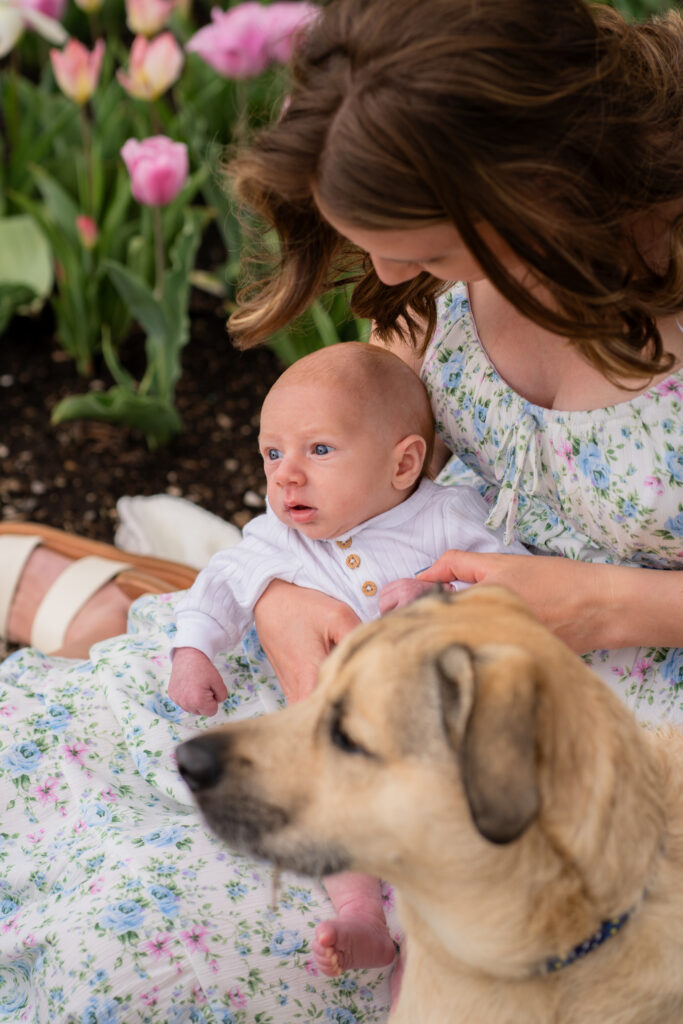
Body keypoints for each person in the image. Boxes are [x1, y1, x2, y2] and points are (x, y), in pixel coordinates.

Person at [0, 0, 681, 1018]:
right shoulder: (454, 255)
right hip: (396, 649)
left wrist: (609, 606)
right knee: (43, 771)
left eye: (432, 255)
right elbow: (375, 446)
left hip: (585, 758)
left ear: (531, 183)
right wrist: (274, 587)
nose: (398, 280)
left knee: (146, 960)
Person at [168, 341, 527, 977]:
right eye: (272, 453)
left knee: (458, 824)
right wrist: (194, 648)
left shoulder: (446, 519)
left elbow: (511, 583)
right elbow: (221, 581)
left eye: (319, 450)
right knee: (323, 809)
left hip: (435, 733)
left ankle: (434, 949)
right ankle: (362, 914)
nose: (286, 474)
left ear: (403, 464)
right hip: (335, 739)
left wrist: (440, 592)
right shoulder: (277, 535)